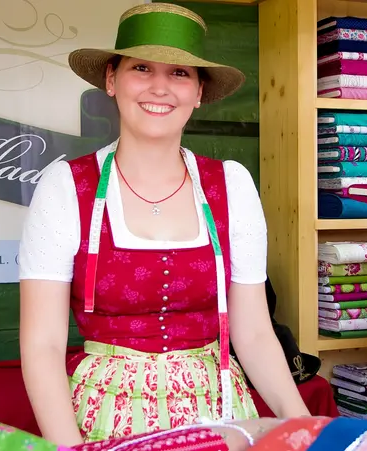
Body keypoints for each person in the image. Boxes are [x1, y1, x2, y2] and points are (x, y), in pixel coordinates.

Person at [17, 3, 310, 447]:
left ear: (198, 92)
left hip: (218, 410)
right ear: (112, 81)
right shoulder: (65, 186)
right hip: (107, 412)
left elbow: (252, 333)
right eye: (141, 68)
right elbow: (43, 343)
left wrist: (303, 425)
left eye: (179, 74)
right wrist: (69, 447)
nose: (160, 87)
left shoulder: (231, 184)